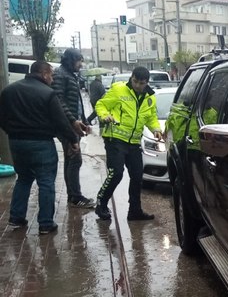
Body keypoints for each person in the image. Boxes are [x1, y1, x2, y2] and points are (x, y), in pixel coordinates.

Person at [0, 61, 80, 234]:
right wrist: (73, 139)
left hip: (17, 142)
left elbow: (2, 118)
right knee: (46, 182)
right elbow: (61, 121)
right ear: (44, 74)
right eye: (51, 75)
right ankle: (45, 223)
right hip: (41, 143)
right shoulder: (48, 94)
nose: (52, 79)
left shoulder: (9, 91)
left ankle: (16, 218)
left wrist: (12, 132)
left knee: (23, 178)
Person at [94, 66, 163, 221]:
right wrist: (105, 115)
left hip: (133, 142)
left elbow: (150, 117)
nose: (138, 85)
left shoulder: (150, 97)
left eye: (142, 83)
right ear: (131, 78)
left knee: (138, 176)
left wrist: (156, 129)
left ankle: (135, 211)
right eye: (135, 81)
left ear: (147, 82)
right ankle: (101, 203)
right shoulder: (119, 90)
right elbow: (101, 104)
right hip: (115, 139)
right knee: (116, 173)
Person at [52, 48, 94, 208]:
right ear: (70, 60)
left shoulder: (69, 75)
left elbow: (76, 102)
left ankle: (73, 196)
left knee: (71, 159)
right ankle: (75, 197)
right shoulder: (60, 74)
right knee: (75, 159)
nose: (81, 64)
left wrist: (83, 120)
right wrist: (72, 121)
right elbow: (59, 101)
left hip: (71, 123)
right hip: (66, 125)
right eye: (79, 60)